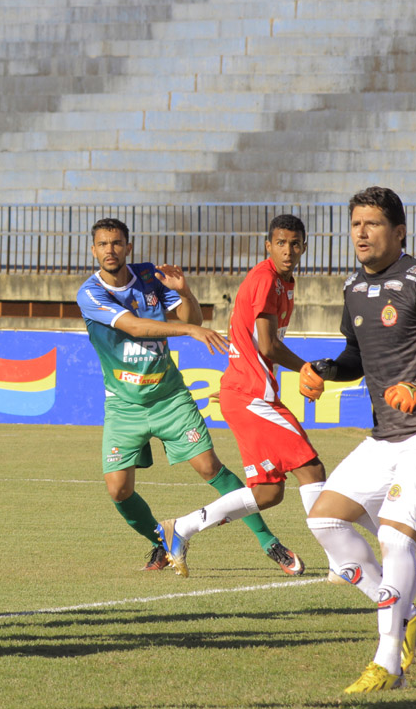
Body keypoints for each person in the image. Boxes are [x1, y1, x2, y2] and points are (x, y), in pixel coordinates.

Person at [300, 187, 416, 693]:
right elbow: (354, 356)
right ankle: (406, 613)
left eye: (373, 224)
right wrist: (325, 369)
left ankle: (388, 666)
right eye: (356, 223)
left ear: (398, 232)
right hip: (387, 436)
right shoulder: (354, 287)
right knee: (325, 518)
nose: (361, 232)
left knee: (393, 536)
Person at [78, 218, 299, 577]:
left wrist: (185, 294)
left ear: (128, 247)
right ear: (93, 250)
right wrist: (190, 329)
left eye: (117, 243)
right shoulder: (90, 293)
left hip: (169, 396)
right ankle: (161, 542)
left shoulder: (148, 277)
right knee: (118, 490)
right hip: (124, 404)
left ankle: (269, 541)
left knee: (210, 467)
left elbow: (190, 315)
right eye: (103, 244)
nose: (110, 250)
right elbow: (135, 326)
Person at [158, 215, 331, 575]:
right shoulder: (266, 278)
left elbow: (259, 342)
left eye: (295, 243)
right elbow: (267, 345)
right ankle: (343, 563)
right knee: (312, 470)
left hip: (246, 393)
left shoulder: (285, 282)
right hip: (253, 396)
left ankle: (182, 528)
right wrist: (304, 367)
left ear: (304, 247)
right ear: (268, 246)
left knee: (269, 494)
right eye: (281, 243)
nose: (288, 250)